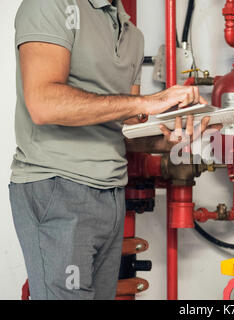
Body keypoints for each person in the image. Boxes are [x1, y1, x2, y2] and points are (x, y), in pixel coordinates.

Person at [9, 0, 220, 300]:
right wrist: (146, 102)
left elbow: (126, 129)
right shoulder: (52, 4)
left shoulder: (131, 32)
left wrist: (174, 135)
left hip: (111, 193)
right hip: (59, 187)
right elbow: (43, 103)